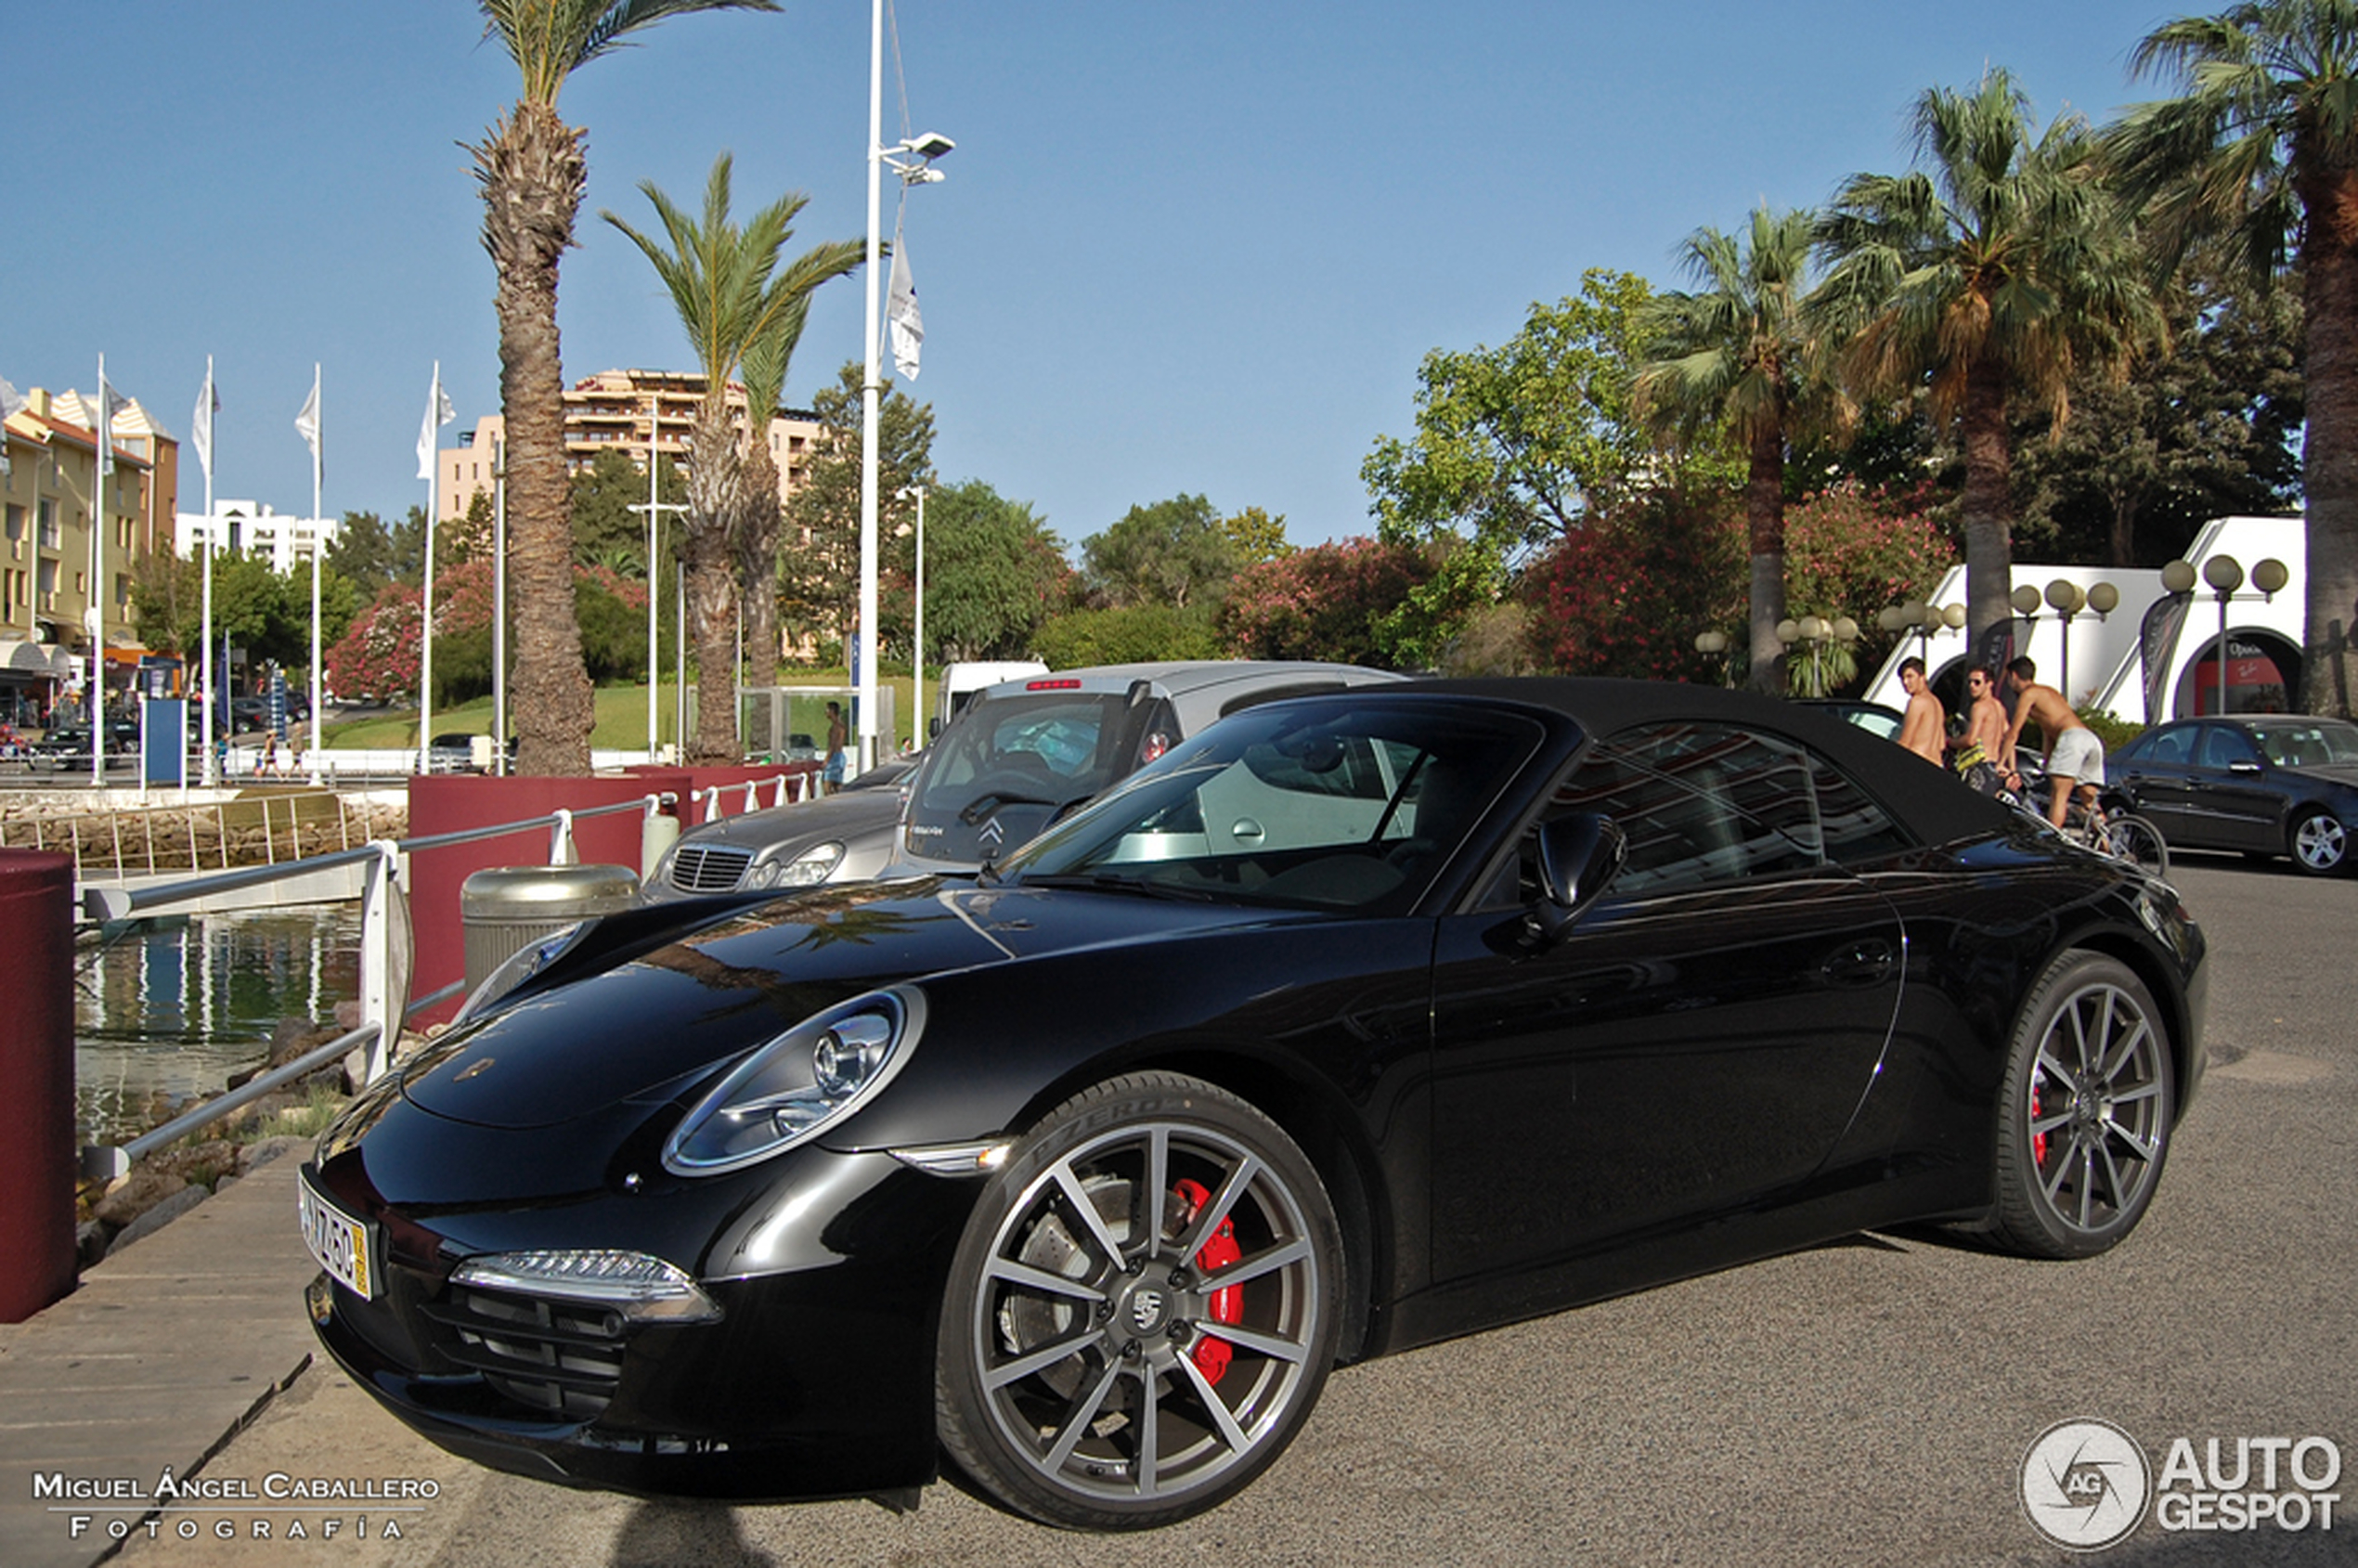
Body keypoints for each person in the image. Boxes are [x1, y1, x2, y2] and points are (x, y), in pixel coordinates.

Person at [2002, 656, 2103, 830]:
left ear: (2014, 676)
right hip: (2089, 738)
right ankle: (2108, 847)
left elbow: (2013, 733)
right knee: (2089, 798)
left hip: (2072, 738)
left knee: (2059, 796)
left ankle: (2053, 844)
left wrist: (2000, 762)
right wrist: (2048, 762)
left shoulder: (2028, 695)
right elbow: (2049, 732)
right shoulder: (2050, 693)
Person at [1897, 657, 1946, 765]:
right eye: (1902, 678)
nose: (1905, 682)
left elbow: (1905, 742)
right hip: (1937, 765)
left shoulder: (1917, 702)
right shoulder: (1937, 703)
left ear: (1922, 677)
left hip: (1918, 764)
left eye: (1910, 677)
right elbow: (1942, 744)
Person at [823, 700, 849, 786]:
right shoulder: (841, 726)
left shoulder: (836, 728)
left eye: (827, 710)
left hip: (835, 757)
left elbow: (832, 745)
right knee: (837, 783)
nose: (826, 713)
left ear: (832, 711)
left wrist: (826, 760)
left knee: (827, 784)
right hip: (840, 756)